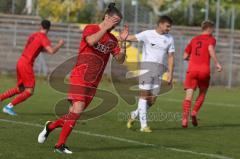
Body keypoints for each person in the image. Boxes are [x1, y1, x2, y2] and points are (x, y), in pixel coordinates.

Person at [38, 3, 129, 154]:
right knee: (78, 108)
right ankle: (59, 145)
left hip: (94, 82)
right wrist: (105, 28)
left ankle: (50, 126)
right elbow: (91, 41)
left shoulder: (113, 39)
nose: (115, 26)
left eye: (117, 23)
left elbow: (120, 59)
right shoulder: (91, 28)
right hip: (80, 76)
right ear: (106, 17)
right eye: (114, 21)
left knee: (73, 113)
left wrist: (123, 42)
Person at [0, 20, 64, 116]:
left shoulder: (33, 35)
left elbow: (32, 48)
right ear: (49, 28)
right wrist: (59, 44)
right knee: (29, 91)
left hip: (21, 61)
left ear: (40, 26)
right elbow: (51, 51)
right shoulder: (44, 38)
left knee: (20, 88)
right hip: (26, 64)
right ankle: (8, 107)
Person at [125, 16, 175, 132]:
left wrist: (170, 73)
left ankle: (134, 114)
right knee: (144, 96)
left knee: (152, 100)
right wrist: (120, 37)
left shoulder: (170, 38)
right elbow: (131, 38)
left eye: (170, 26)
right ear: (160, 24)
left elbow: (171, 57)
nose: (169, 28)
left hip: (159, 71)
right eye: (168, 26)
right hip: (146, 70)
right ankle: (144, 126)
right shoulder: (147, 34)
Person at [182, 20, 222, 128]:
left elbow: (184, 56)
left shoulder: (194, 39)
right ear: (209, 29)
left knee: (188, 96)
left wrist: (192, 59)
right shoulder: (211, 39)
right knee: (202, 93)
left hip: (192, 70)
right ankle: (194, 112)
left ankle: (185, 119)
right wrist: (217, 63)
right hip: (204, 71)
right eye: (212, 29)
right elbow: (210, 49)